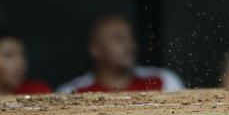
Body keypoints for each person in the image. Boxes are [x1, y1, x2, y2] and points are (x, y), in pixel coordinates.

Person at [56, 15, 184, 93]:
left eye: (130, 38)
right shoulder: (72, 92)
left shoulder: (163, 80)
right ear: (95, 49)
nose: (129, 45)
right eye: (118, 39)